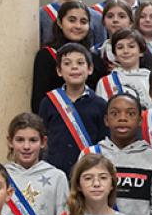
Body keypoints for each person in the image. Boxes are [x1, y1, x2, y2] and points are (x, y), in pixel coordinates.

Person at [38, 44, 108, 178]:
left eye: (80, 63)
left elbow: (103, 142)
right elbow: (42, 137)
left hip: (87, 172)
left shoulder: (100, 105)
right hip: (53, 172)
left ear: (90, 69)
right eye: (67, 63)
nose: (74, 67)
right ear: (59, 71)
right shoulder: (49, 102)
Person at [32, 0, 105, 114]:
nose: (78, 26)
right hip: (55, 125)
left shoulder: (96, 61)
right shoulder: (47, 56)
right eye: (72, 20)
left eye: (83, 21)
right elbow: (38, 103)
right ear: (60, 23)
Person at [97, 29, 152, 109]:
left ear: (141, 51)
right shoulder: (106, 82)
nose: (126, 51)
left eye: (131, 46)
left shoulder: (151, 78)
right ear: (115, 54)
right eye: (120, 47)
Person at [96, 0, 134, 65]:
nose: (115, 20)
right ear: (103, 22)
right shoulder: (96, 51)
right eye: (110, 16)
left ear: (131, 22)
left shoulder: (140, 48)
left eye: (121, 16)